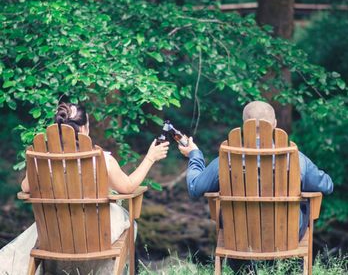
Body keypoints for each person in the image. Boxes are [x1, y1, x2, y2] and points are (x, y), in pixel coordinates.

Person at [0, 102, 169, 275]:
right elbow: (127, 187)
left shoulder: (42, 161)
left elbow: (24, 188)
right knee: (129, 222)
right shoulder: (102, 160)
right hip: (94, 234)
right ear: (83, 130)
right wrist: (150, 158)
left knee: (48, 225)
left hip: (56, 233)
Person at [179, 101, 333, 271]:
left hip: (238, 237)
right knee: (304, 208)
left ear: (245, 125)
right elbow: (327, 186)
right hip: (287, 236)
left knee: (228, 221)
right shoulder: (296, 158)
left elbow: (194, 188)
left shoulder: (227, 157)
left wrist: (195, 154)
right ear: (274, 124)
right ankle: (291, 270)